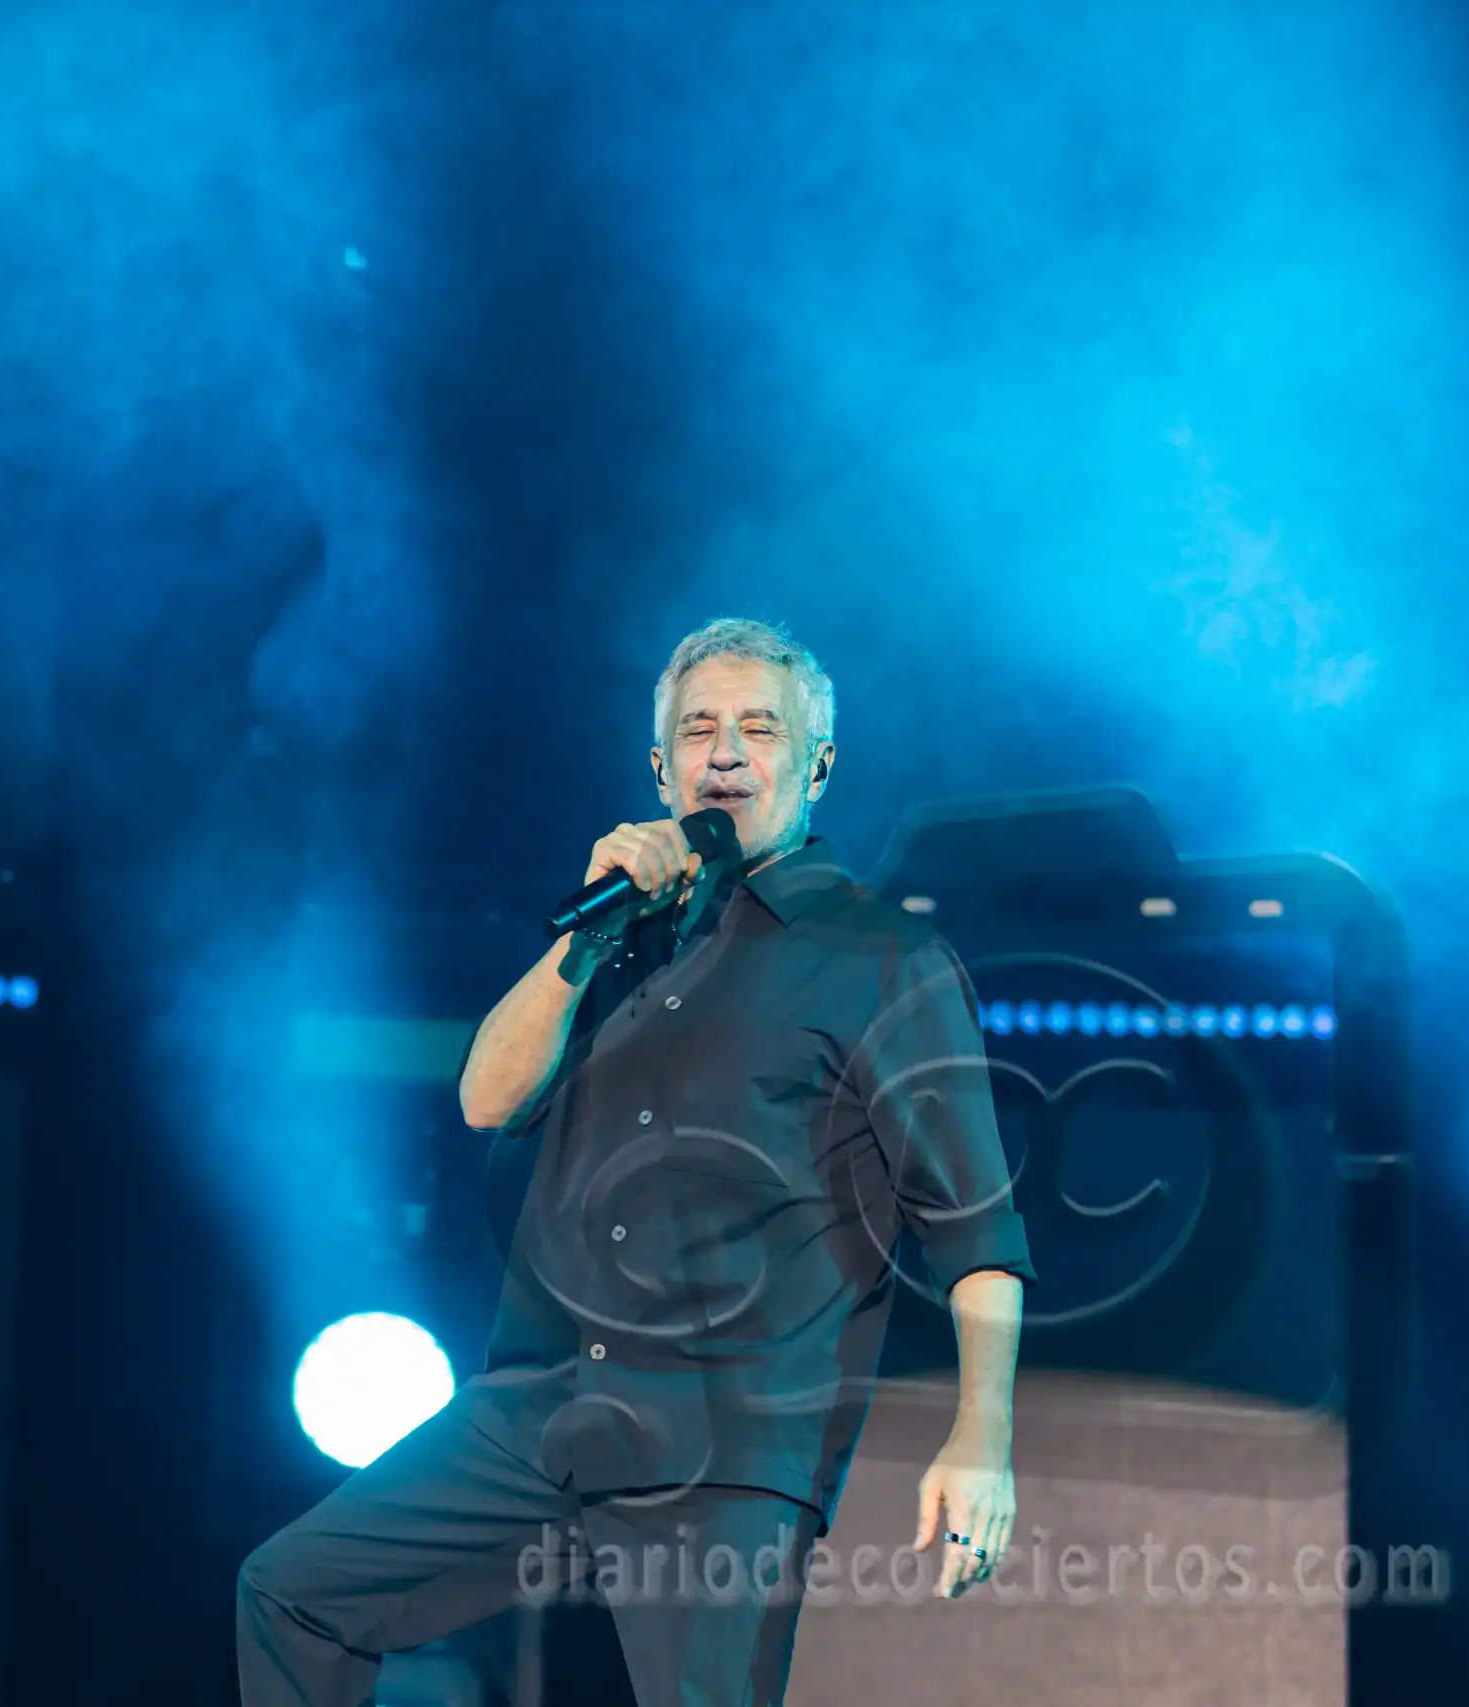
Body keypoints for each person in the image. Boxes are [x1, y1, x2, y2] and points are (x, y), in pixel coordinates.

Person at [238, 618, 1036, 1705]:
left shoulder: (881, 957)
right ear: (658, 770)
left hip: (725, 1433)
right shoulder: (621, 938)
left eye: (758, 729)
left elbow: (973, 1225)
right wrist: (587, 939)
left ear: (815, 766)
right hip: (542, 1404)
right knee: (293, 1591)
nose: (724, 753)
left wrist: (980, 1438)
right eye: (696, 731)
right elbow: (484, 1097)